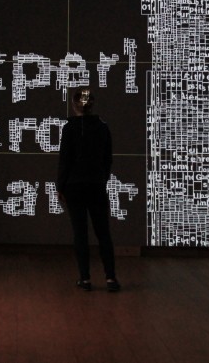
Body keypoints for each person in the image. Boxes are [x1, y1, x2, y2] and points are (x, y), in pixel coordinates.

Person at [57, 88, 120, 292]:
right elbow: (107, 159)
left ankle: (85, 279)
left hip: (74, 186)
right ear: (92, 105)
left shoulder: (69, 128)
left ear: (74, 105)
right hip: (96, 185)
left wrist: (60, 186)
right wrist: (102, 179)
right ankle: (110, 278)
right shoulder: (103, 127)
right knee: (103, 232)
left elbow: (65, 160)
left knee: (80, 233)